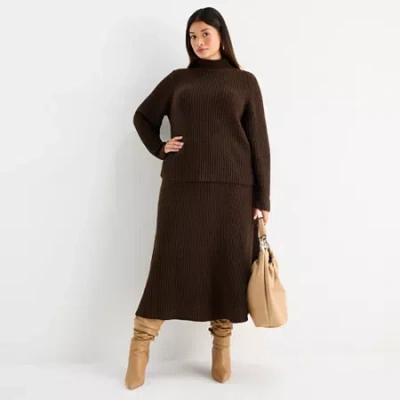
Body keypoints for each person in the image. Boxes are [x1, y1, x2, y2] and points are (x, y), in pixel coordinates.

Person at [125, 6, 271, 389]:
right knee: (168, 266)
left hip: (233, 194)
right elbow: (143, 117)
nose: (199, 42)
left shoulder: (244, 82)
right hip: (182, 189)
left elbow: (259, 143)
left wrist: (263, 199)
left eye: (205, 33)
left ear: (221, 35)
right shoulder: (179, 80)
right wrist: (160, 148)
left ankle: (221, 350)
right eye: (192, 36)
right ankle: (140, 346)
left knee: (227, 267)